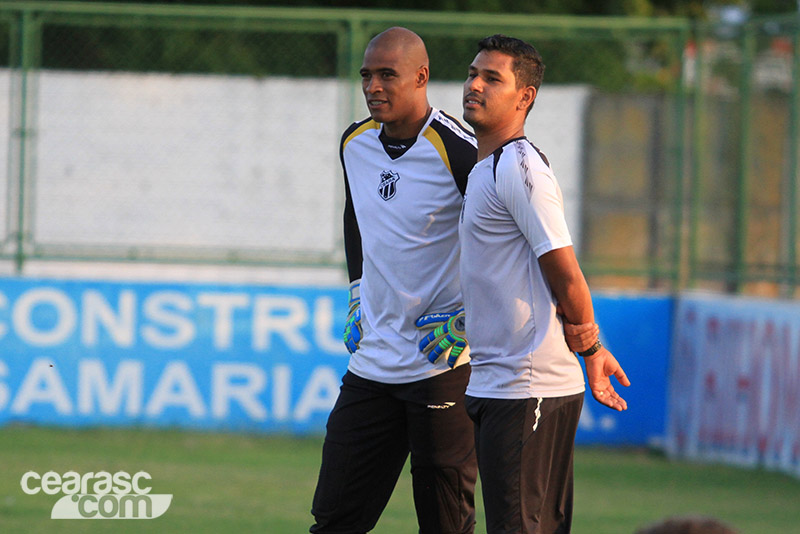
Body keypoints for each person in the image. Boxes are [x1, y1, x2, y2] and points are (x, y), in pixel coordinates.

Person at [458, 34, 631, 533]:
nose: (474, 85)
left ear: (525, 96)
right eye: (473, 73)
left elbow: (566, 273)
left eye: (493, 78)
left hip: (528, 387)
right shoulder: (485, 168)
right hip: (499, 382)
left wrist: (591, 346)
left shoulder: (520, 165)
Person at [309, 27, 479, 534]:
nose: (373, 86)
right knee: (334, 519)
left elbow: (507, 244)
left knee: (445, 524)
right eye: (366, 75)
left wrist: (470, 318)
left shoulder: (461, 150)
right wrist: (357, 290)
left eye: (388, 75)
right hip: (372, 366)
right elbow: (355, 216)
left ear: (421, 77)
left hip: (440, 365)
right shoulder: (354, 143)